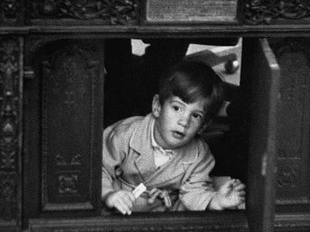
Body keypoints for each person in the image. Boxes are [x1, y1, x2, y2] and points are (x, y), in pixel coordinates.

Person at [102, 61, 246, 215]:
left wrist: (215, 200)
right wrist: (109, 195)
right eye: (177, 108)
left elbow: (194, 191)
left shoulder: (200, 155)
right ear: (157, 106)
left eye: (196, 115)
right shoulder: (125, 134)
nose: (184, 122)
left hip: (163, 214)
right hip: (117, 209)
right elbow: (99, 168)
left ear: (203, 126)